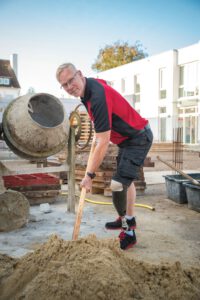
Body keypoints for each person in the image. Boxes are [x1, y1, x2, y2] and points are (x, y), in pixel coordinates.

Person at [56, 63, 153, 250]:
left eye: (71, 80)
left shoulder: (97, 96)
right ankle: (125, 217)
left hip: (138, 138)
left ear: (80, 75)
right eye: (64, 85)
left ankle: (128, 229)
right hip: (126, 139)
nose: (69, 87)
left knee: (117, 185)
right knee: (127, 181)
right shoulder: (87, 90)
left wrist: (89, 176)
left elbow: (103, 141)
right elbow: (98, 135)